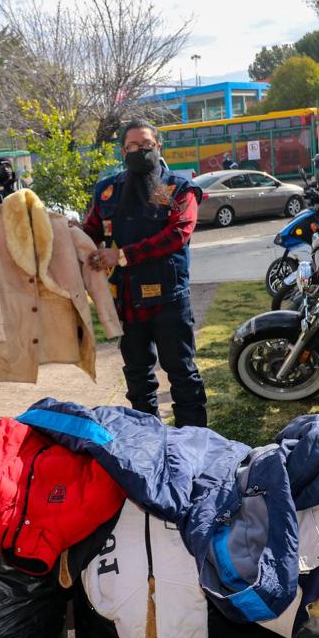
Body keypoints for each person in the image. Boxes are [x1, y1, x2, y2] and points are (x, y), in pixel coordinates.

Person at [83, 119, 208, 428]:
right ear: (123, 151)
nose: (141, 152)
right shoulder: (108, 191)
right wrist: (62, 232)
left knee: (181, 373)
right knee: (138, 378)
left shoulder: (176, 188)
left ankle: (195, 442)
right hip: (127, 301)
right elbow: (90, 232)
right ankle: (147, 442)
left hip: (169, 300)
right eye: (133, 147)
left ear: (159, 147)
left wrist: (122, 255)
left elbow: (177, 234)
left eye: (147, 146)